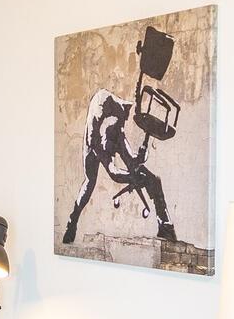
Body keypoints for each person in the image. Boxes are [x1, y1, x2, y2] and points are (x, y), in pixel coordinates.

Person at [61, 88, 176, 245]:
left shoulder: (118, 127)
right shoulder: (97, 142)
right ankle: (72, 221)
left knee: (153, 180)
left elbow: (132, 161)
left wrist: (141, 156)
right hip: (94, 142)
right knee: (90, 181)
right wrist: (132, 177)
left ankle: (165, 225)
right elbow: (114, 173)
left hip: (108, 126)